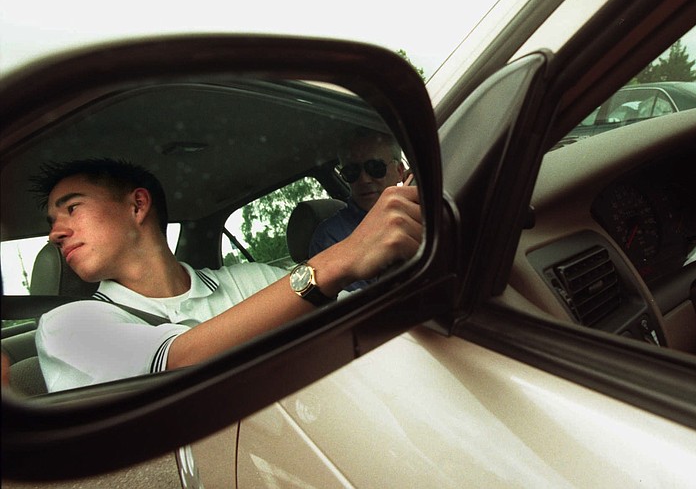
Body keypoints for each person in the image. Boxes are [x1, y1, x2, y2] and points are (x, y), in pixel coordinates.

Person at [31, 158, 421, 392]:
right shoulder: (67, 325)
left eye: (71, 209)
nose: (55, 232)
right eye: (52, 220)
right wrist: (342, 258)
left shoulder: (249, 280)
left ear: (137, 205)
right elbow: (179, 361)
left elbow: (364, 319)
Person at [309, 129, 407, 290]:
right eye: (352, 172)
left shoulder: (421, 206)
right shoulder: (330, 238)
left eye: (375, 167)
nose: (364, 179)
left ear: (399, 171)